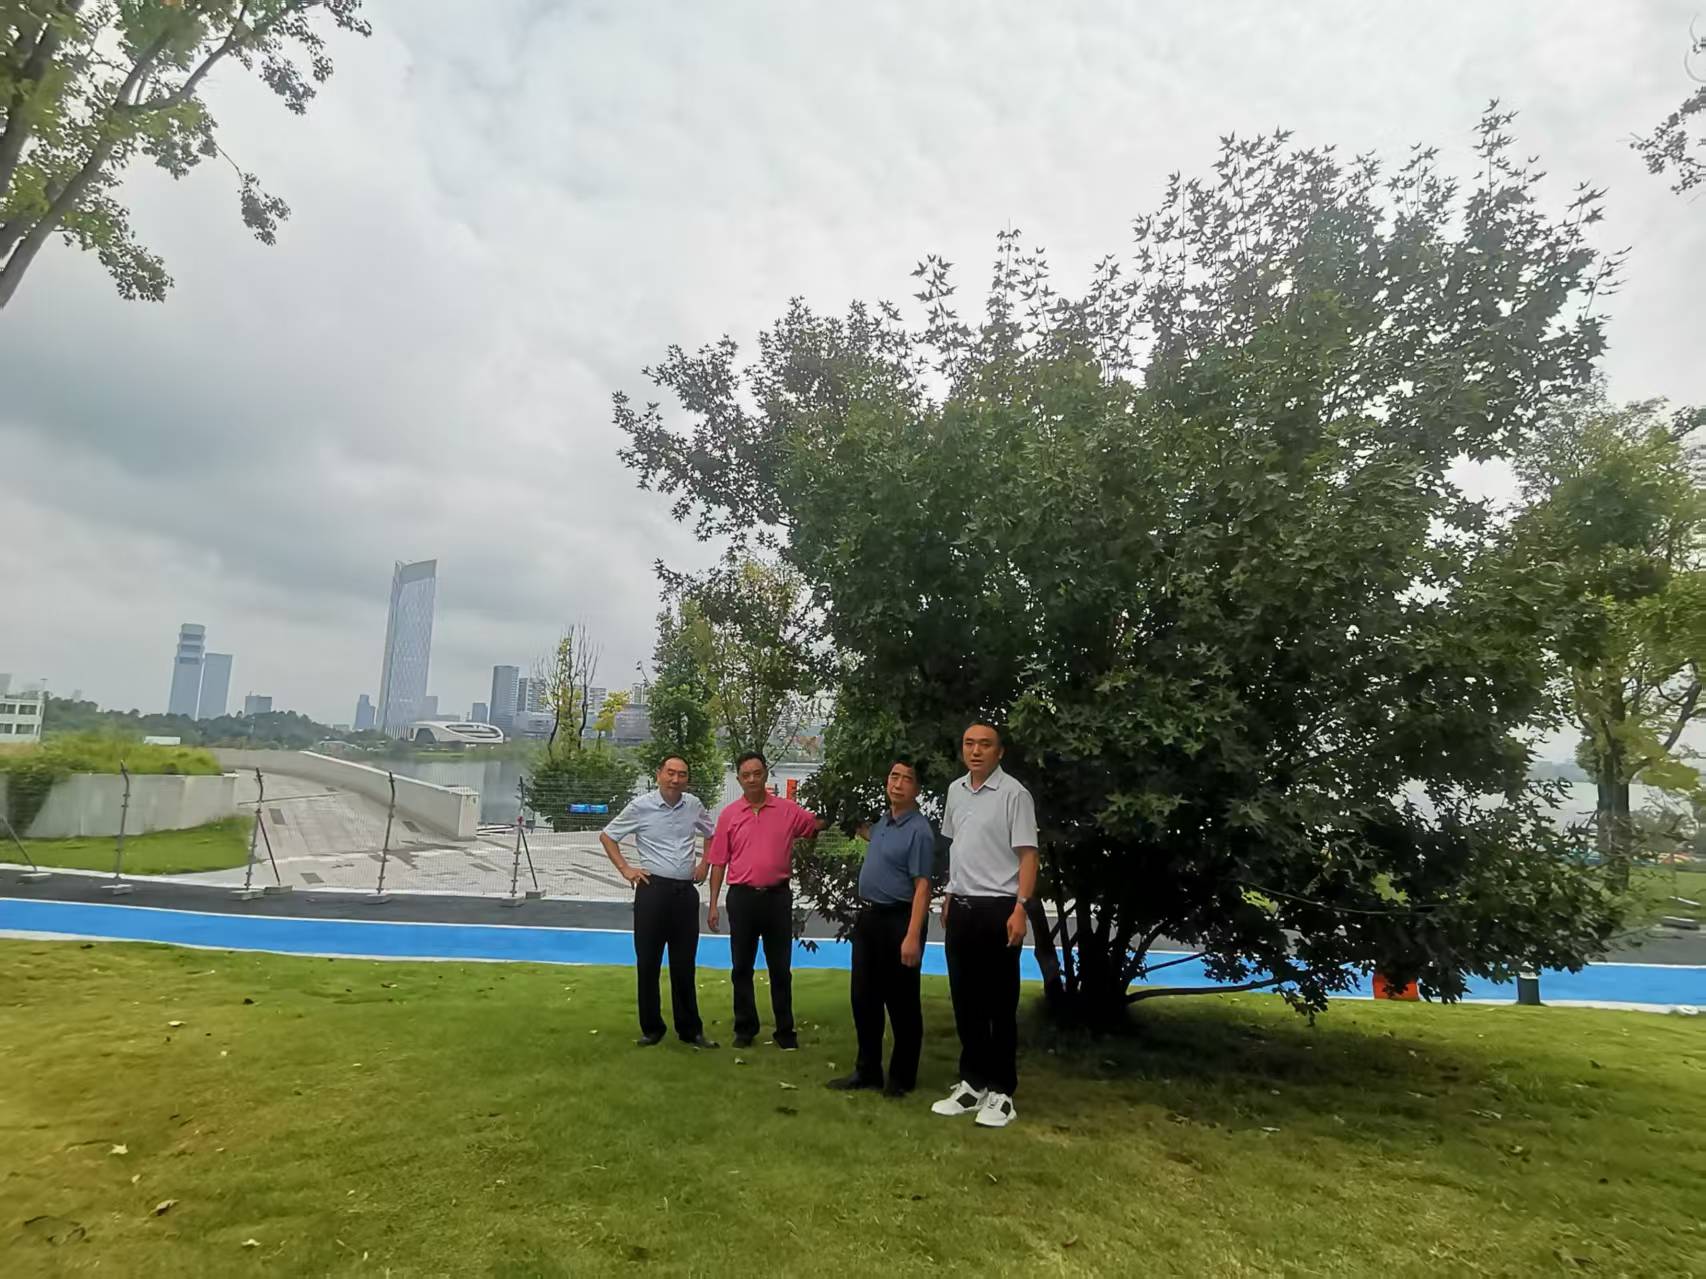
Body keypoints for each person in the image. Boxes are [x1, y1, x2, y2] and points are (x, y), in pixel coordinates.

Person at [930, 722, 1038, 1129]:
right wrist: (949, 893)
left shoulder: (1014, 794)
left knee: (999, 1005)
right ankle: (972, 1084)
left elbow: (1028, 856)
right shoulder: (955, 791)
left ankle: (1002, 1092)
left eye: (985, 744)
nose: (976, 751)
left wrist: (1021, 908)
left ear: (1000, 752)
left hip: (999, 909)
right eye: (969, 744)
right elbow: (958, 847)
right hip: (962, 909)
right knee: (965, 1002)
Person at [827, 757, 934, 1097]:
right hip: (870, 920)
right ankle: (867, 1071)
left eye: (906, 779)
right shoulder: (884, 822)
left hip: (899, 921)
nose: (897, 784)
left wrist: (912, 936)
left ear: (917, 788)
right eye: (893, 776)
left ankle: (901, 1079)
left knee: (902, 1003)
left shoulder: (919, 831)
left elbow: (922, 887)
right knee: (864, 998)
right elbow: (871, 837)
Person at [705, 751, 825, 1050]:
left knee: (780, 968)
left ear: (766, 774)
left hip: (777, 898)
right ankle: (745, 1030)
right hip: (742, 899)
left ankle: (785, 1032)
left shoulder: (787, 810)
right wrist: (713, 904)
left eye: (757, 773)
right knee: (741, 968)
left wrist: (844, 812)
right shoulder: (729, 815)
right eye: (746, 775)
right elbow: (718, 862)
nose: (752, 780)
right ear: (738, 779)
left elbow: (814, 826)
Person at [598, 755, 719, 1049]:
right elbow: (608, 836)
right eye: (670, 773)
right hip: (653, 891)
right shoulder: (640, 806)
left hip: (685, 893)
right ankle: (652, 1028)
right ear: (659, 774)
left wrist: (705, 864)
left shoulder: (693, 805)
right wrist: (626, 869)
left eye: (682, 774)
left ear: (687, 779)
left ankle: (690, 1030)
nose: (675, 779)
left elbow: (712, 834)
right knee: (649, 961)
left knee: (684, 964)